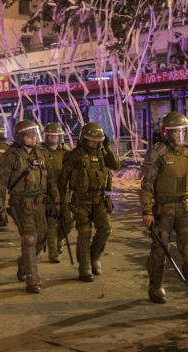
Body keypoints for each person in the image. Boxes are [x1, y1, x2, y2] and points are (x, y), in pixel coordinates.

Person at [139, 111, 188, 313]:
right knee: (159, 251)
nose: (180, 135)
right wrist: (147, 210)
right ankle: (155, 287)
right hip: (163, 209)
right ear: (166, 133)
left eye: (182, 131)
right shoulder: (157, 154)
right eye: (175, 132)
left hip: (185, 207)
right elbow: (147, 185)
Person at [0, 119, 59, 293]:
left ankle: (24, 262)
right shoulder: (11, 156)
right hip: (21, 203)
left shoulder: (42, 153)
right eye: (29, 135)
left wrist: (56, 200)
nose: (33, 138)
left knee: (42, 238)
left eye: (34, 134)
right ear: (20, 137)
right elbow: (0, 184)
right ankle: (33, 280)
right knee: (29, 238)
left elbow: (51, 178)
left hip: (40, 202)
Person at [59, 121, 119, 282]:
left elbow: (115, 165)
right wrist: (62, 203)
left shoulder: (102, 153)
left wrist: (107, 147)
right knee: (84, 233)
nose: (94, 143)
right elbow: (63, 180)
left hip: (99, 199)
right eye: (91, 140)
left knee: (105, 230)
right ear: (83, 139)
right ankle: (84, 267)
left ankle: (94, 258)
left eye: (97, 140)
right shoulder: (74, 155)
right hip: (81, 200)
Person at [43, 122, 70, 263]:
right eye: (50, 136)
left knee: (67, 220)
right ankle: (53, 253)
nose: (53, 139)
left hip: (64, 192)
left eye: (56, 136)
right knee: (51, 222)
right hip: (46, 193)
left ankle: (59, 240)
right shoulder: (40, 151)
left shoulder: (66, 152)